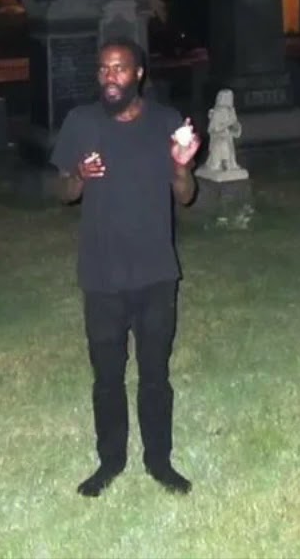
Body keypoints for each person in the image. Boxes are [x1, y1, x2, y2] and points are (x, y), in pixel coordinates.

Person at [50, 40, 202, 498]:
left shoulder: (165, 121)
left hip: (156, 273)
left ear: (138, 73)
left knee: (155, 374)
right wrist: (79, 175)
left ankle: (160, 461)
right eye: (103, 69)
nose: (109, 77)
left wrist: (182, 166)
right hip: (102, 274)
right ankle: (110, 461)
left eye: (119, 68)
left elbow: (186, 195)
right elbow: (63, 193)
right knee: (107, 376)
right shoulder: (82, 122)